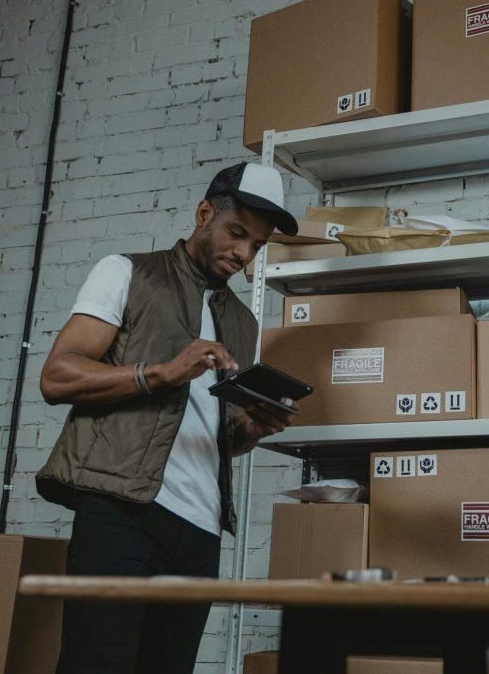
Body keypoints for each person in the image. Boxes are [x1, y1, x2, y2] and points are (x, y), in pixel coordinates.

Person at [37, 162, 300, 674]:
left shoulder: (242, 324)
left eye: (257, 245)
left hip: (200, 531)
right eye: (236, 233)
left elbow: (214, 431)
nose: (243, 254)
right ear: (205, 213)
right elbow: (57, 376)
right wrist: (160, 372)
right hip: (122, 513)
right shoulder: (127, 272)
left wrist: (250, 430)